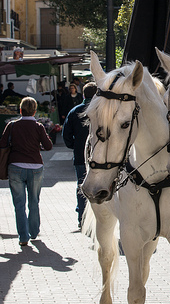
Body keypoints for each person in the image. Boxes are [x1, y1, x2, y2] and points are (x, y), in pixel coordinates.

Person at [0, 96, 53, 246]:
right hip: (35, 167)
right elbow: (48, 146)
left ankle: (23, 237)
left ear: (20, 110)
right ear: (35, 111)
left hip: (15, 166)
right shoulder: (38, 127)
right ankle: (34, 231)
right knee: (34, 201)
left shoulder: (12, 126)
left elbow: (2, 144)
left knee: (19, 203)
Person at [62, 82, 97, 228]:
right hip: (100, 157)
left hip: (80, 156)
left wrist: (75, 146)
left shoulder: (74, 111)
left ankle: (82, 218)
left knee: (82, 186)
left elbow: (66, 134)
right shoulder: (101, 109)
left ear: (83, 95)